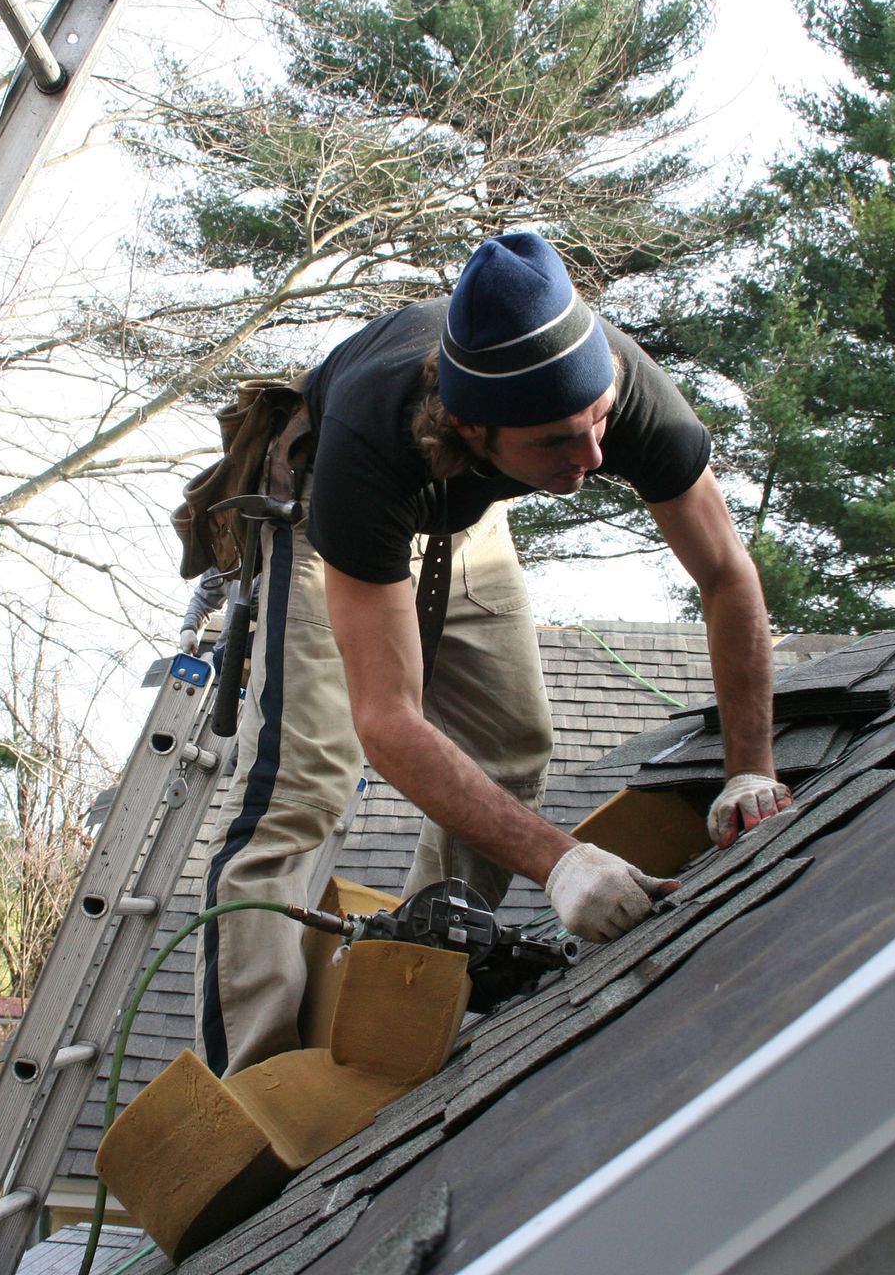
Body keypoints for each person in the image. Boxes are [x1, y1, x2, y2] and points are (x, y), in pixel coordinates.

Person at [197, 232, 790, 1076]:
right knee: (307, 788)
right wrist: (562, 862)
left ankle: (410, 990)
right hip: (336, 522)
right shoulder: (366, 456)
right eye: (559, 440)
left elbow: (728, 574)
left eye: (599, 424)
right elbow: (389, 722)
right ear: (471, 422)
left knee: (510, 750)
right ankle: (259, 1082)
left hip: (467, 510)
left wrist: (750, 769)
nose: (591, 461)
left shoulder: (614, 389)